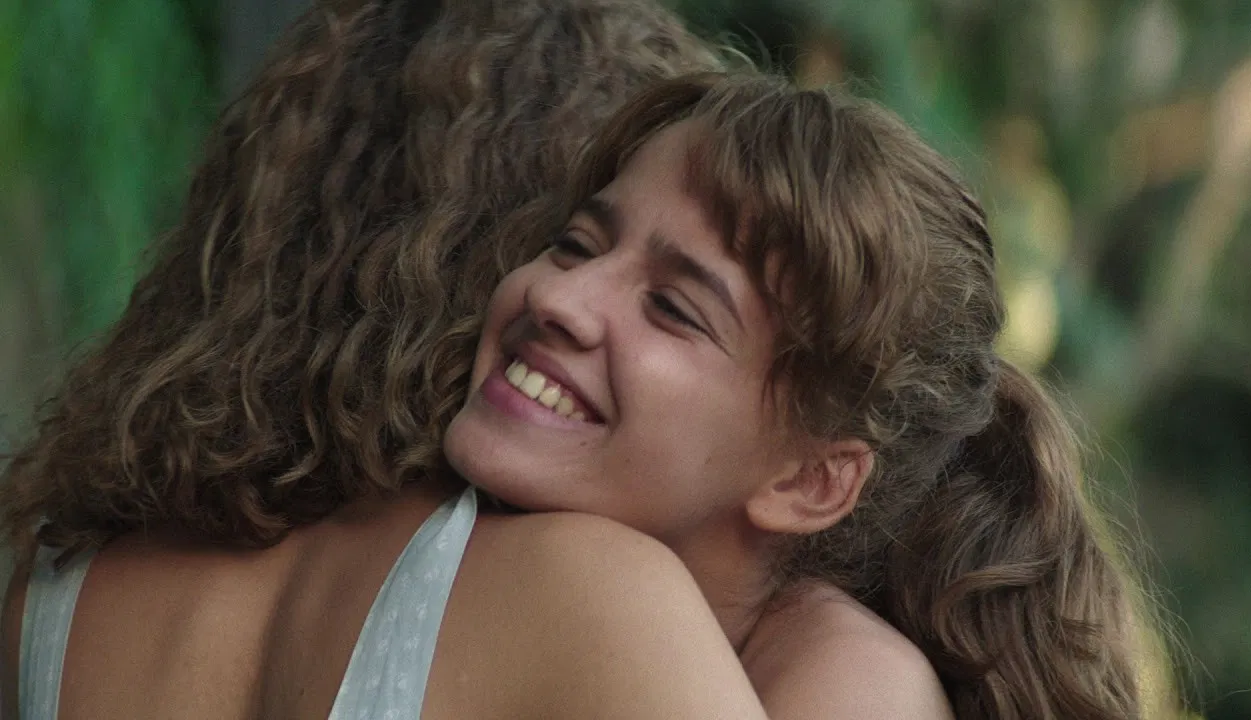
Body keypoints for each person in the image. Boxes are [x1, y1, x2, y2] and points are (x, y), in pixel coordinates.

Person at [1, 1, 777, 719]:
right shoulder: (586, 593)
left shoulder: (54, 591)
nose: (570, 295)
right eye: (575, 241)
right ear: (505, 246)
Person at [440, 72, 1175, 719]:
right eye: (577, 244)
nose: (558, 297)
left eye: (672, 309)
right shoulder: (432, 522)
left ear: (809, 481)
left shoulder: (854, 687)